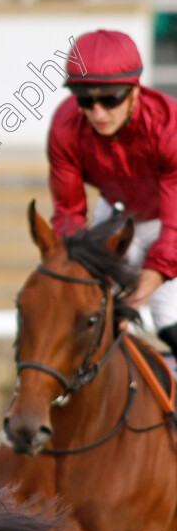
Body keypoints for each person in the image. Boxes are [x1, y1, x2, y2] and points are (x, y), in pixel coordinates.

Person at [49, 29, 177, 365]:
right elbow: (69, 215)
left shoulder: (169, 127)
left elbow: (172, 235)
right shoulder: (65, 126)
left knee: (166, 311)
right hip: (121, 215)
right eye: (85, 100)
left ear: (135, 90)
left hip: (171, 220)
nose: (98, 113)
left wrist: (133, 302)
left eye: (110, 99)